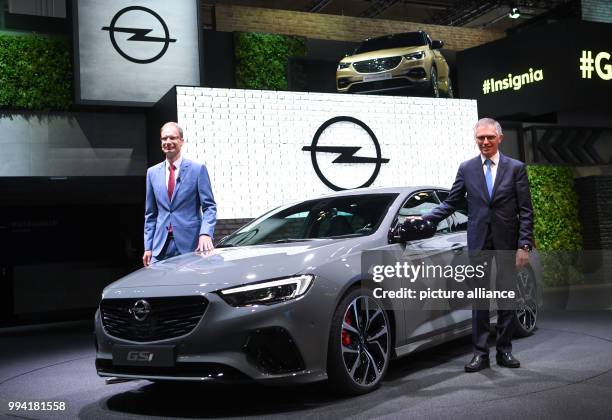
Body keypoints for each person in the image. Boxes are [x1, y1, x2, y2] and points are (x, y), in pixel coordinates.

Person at [421, 117, 534, 372]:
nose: (484, 142)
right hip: (479, 241)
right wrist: (426, 217)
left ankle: (504, 350)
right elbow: (451, 202)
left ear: (500, 138)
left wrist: (524, 245)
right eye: (480, 138)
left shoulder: (516, 168)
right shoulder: (467, 168)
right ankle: (480, 354)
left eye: (489, 138)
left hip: (507, 242)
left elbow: (526, 210)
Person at [142, 122, 216, 266]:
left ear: (181, 141)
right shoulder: (152, 173)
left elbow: (209, 207)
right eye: (164, 139)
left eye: (172, 138)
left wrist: (205, 233)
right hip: (160, 247)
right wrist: (148, 247)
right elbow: (151, 214)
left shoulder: (197, 169)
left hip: (191, 245)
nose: (168, 142)